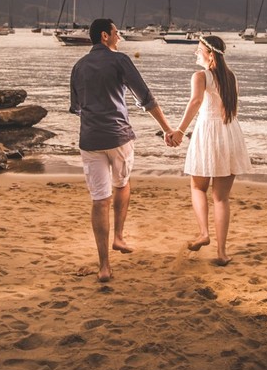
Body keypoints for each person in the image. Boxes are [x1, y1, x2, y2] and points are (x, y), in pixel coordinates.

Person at [70, 18, 176, 282]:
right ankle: (118, 236)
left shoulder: (78, 66)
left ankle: (104, 266)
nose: (120, 36)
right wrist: (166, 128)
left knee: (99, 199)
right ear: (105, 36)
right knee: (122, 184)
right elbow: (145, 97)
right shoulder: (119, 60)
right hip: (118, 137)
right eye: (116, 32)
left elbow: (77, 107)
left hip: (90, 139)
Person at [165, 34, 251, 266]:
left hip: (208, 133)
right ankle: (222, 253)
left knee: (198, 187)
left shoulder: (201, 76)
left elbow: (195, 103)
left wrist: (180, 131)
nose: (195, 53)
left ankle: (204, 233)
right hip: (230, 134)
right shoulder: (231, 77)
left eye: (199, 49)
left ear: (210, 55)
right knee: (221, 198)